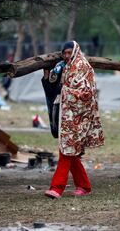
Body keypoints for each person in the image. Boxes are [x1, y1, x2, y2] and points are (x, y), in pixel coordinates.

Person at [42, 40, 104, 199]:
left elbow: (86, 93)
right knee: (70, 151)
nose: (67, 55)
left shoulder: (83, 66)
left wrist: (65, 92)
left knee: (66, 150)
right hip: (67, 116)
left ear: (76, 51)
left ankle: (56, 188)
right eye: (65, 53)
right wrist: (48, 75)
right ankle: (84, 185)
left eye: (70, 52)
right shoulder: (65, 66)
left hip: (80, 116)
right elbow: (54, 87)